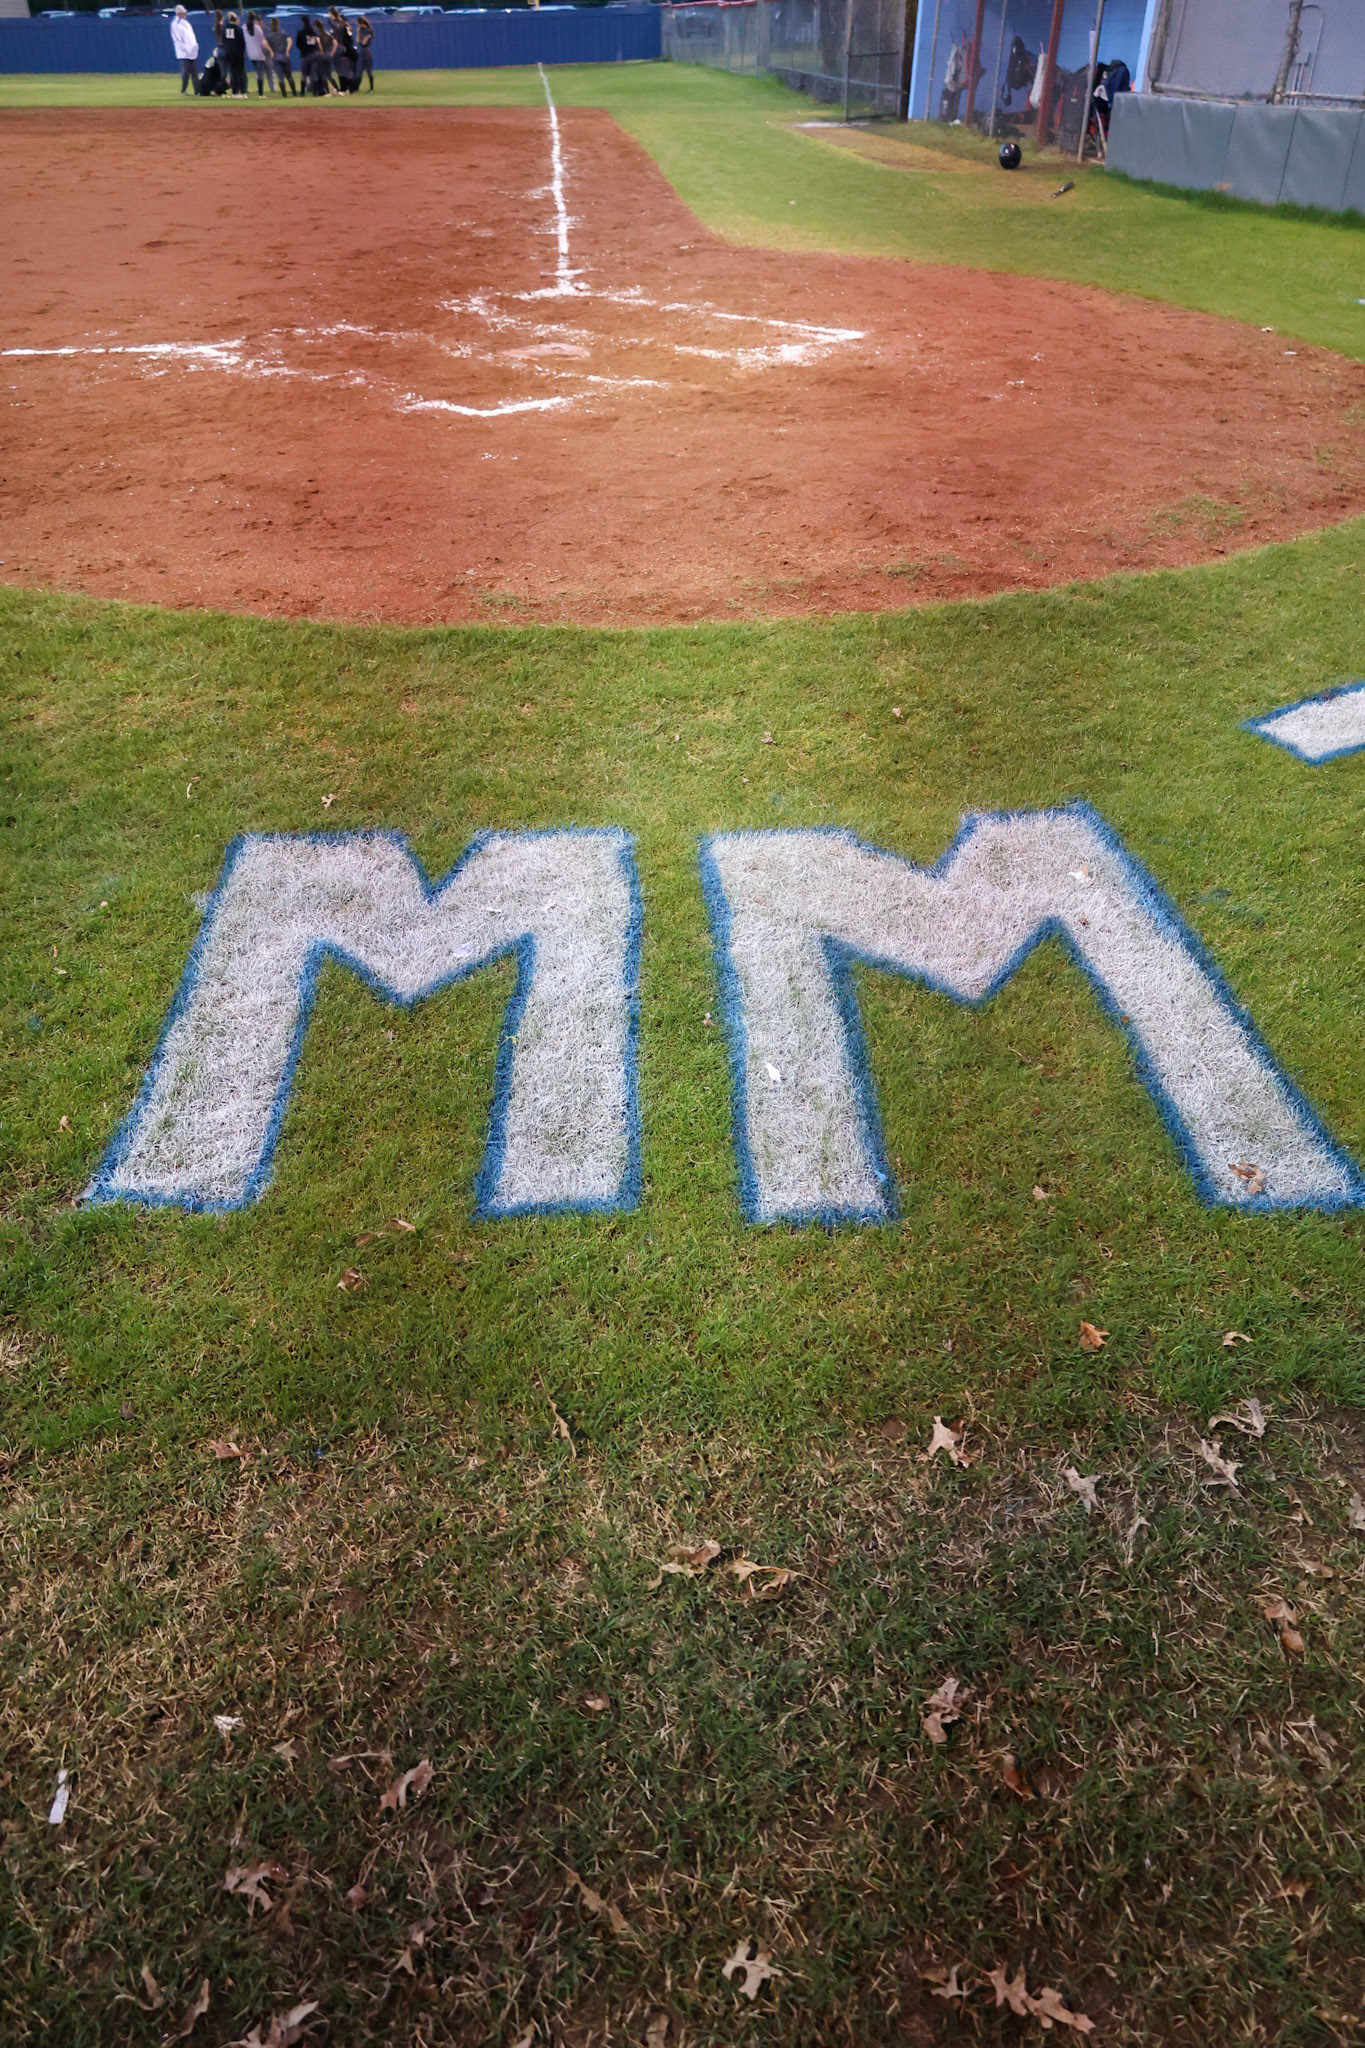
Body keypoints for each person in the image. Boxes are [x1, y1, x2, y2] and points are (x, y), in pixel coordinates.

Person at [216, 9, 248, 96]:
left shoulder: (225, 29)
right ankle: (243, 91)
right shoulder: (238, 28)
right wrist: (242, 53)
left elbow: (223, 40)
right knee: (240, 73)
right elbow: (242, 42)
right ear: (236, 20)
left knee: (233, 73)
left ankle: (235, 92)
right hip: (238, 54)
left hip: (229, 54)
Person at [170, 3, 199, 93]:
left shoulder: (186, 23)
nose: (185, 14)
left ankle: (197, 90)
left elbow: (191, 36)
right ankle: (184, 89)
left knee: (194, 71)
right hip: (184, 52)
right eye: (183, 12)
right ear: (178, 13)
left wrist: (194, 46)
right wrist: (185, 48)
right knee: (186, 71)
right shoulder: (175, 24)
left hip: (192, 51)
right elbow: (177, 39)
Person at [329, 7, 358, 91]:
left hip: (344, 49)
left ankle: (345, 88)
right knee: (348, 70)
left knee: (343, 70)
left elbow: (341, 38)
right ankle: (351, 88)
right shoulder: (347, 26)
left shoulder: (340, 26)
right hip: (349, 49)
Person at [265, 15, 296, 94]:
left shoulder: (269, 35)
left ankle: (284, 94)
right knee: (289, 76)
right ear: (278, 24)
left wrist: (271, 51)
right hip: (284, 55)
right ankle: (294, 92)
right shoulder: (282, 32)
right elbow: (290, 40)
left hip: (275, 56)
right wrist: (287, 50)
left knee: (280, 77)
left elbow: (264, 42)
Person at [243, 10, 271, 93]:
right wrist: (270, 49)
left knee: (258, 72)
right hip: (259, 54)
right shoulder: (257, 28)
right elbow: (263, 41)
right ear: (254, 19)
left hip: (250, 54)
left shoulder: (244, 27)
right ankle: (260, 93)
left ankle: (259, 91)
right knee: (260, 73)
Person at [356, 13, 374, 90]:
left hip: (366, 51)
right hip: (362, 51)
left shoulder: (368, 31)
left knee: (368, 71)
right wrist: (358, 32)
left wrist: (361, 37)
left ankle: (371, 88)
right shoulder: (361, 30)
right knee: (359, 70)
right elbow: (358, 40)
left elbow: (364, 42)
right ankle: (356, 88)